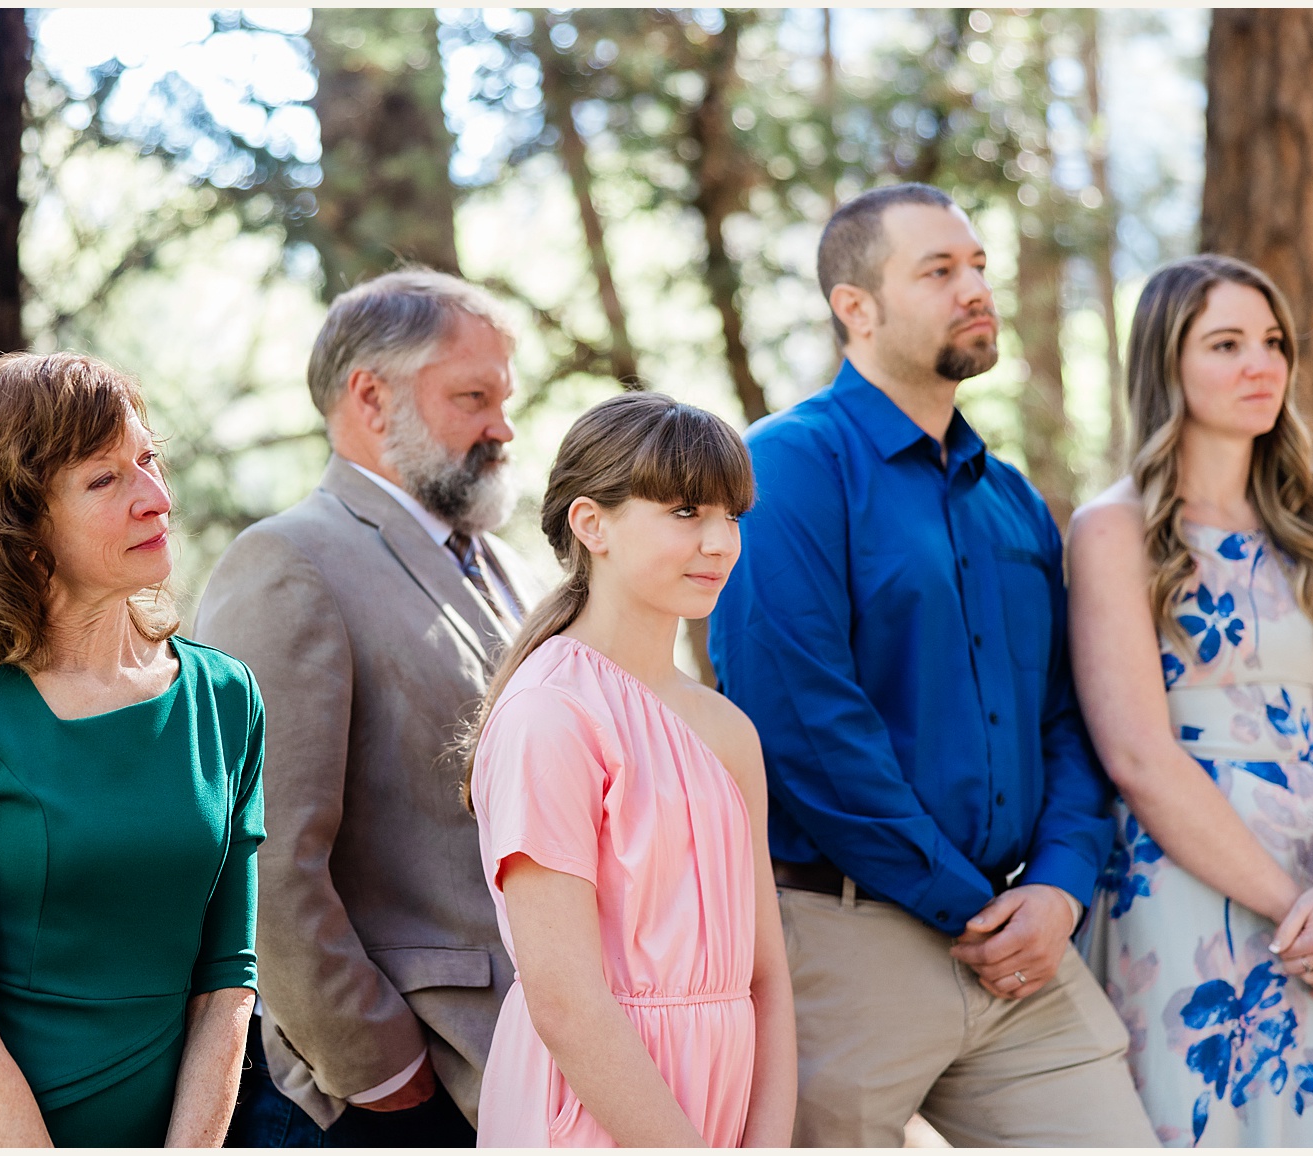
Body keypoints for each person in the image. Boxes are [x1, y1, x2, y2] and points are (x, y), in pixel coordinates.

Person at [708, 182, 1155, 1147]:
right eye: (939, 270)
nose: (975, 289)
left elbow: (1065, 711)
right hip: (843, 945)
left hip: (1021, 946)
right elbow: (804, 730)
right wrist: (972, 904)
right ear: (854, 308)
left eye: (980, 267)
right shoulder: (781, 471)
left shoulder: (1015, 500)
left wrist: (1061, 885)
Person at [0, 353, 260, 1146]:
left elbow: (227, 986)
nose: (155, 499)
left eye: (147, 460)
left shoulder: (225, 697)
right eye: (104, 480)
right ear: (20, 524)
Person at [200, 270, 533, 1144]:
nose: (503, 427)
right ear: (371, 396)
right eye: (473, 397)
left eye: (506, 399)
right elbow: (261, 855)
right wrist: (378, 1067)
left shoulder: (501, 567)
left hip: (523, 1062)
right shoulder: (287, 562)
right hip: (393, 1091)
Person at [1068, 255, 1313, 1145]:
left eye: (1273, 342)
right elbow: (1137, 754)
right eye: (1225, 344)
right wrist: (1301, 912)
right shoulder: (1113, 531)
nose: (1261, 364)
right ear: (1166, 365)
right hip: (1183, 876)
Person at [468, 392, 794, 1146]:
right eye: (685, 512)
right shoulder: (551, 713)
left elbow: (767, 975)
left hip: (728, 1105)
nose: (719, 542)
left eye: (731, 515)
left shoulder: (728, 729)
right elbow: (565, 1002)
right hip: (593, 1112)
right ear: (592, 524)